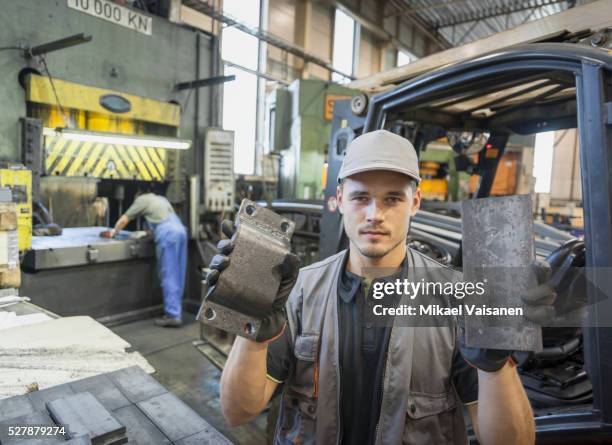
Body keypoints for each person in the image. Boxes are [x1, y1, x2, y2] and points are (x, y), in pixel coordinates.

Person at [209, 130, 558, 444]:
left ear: (415, 203)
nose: (375, 214)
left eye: (392, 199)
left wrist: (495, 364)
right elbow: (238, 413)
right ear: (340, 200)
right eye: (361, 198)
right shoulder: (297, 293)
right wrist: (250, 327)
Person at [111, 189, 187, 327]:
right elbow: (160, 221)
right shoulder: (161, 199)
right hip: (180, 231)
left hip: (168, 234)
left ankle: (173, 315)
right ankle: (177, 309)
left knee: (168, 274)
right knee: (178, 274)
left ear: (137, 196)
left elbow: (124, 219)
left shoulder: (141, 200)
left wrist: (113, 232)